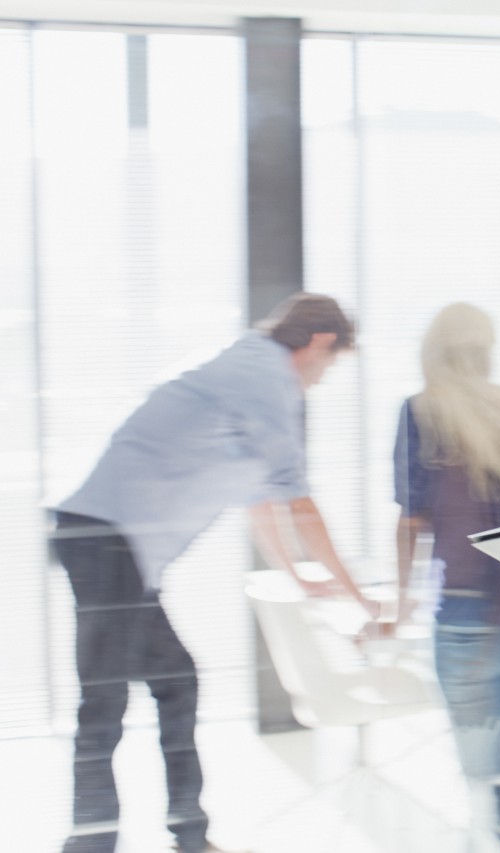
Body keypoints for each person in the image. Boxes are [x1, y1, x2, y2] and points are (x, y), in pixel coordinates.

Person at [50, 292, 376, 853]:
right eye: (330, 362)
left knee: (177, 682)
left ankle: (190, 837)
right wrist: (359, 597)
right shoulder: (265, 378)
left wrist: (299, 578)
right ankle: (91, 845)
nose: (323, 378)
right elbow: (299, 503)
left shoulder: (246, 370)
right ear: (320, 343)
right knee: (104, 701)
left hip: (116, 550)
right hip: (104, 543)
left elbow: (262, 501)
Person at [393, 302, 500, 853]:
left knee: (480, 773)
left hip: (464, 614)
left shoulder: (421, 411)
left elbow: (413, 519)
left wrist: (399, 604)